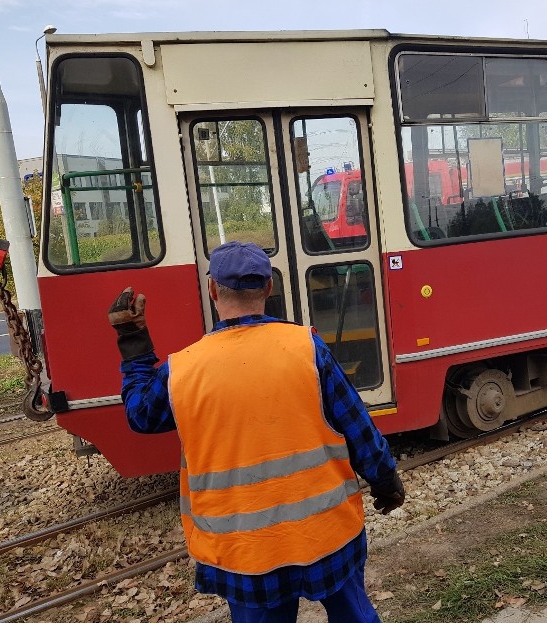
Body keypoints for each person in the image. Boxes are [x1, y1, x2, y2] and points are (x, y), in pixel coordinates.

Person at [107, 240, 405, 623]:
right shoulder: (306, 347)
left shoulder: (183, 370)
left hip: (245, 552)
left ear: (213, 289)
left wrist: (133, 342)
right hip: (326, 534)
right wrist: (385, 480)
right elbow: (358, 427)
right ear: (268, 288)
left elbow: (140, 415)